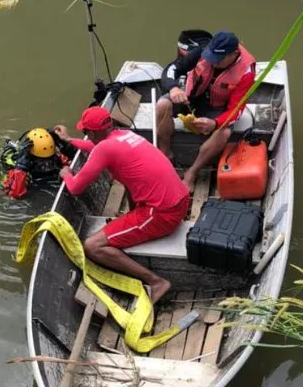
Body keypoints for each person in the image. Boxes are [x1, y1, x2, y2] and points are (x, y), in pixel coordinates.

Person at [53, 106, 189, 304]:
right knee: (129, 188)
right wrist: (69, 140)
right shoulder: (125, 135)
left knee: (92, 246)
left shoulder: (105, 148)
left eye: (86, 132)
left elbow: (75, 188)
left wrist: (66, 174)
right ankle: (133, 221)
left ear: (91, 132)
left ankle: (156, 282)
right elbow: (96, 148)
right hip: (180, 199)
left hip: (162, 214)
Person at [156, 30, 256, 192]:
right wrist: (173, 88)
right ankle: (165, 153)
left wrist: (215, 123)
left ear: (233, 54)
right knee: (162, 105)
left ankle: (192, 172)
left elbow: (236, 111)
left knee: (223, 134)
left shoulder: (246, 72)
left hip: (217, 109)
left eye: (218, 59)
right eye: (211, 57)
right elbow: (172, 68)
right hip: (191, 98)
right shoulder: (203, 50)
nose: (212, 62)